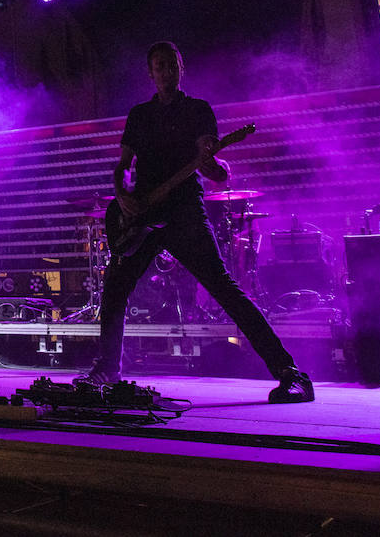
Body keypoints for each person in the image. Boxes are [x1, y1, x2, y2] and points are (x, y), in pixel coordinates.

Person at [81, 41, 314, 403]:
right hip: (142, 214)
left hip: (184, 209)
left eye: (171, 65)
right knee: (114, 289)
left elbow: (212, 161)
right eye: (159, 66)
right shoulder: (139, 115)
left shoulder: (198, 110)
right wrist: (123, 194)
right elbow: (125, 164)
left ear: (180, 68)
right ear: (150, 73)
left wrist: (213, 165)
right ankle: (106, 370)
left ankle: (290, 373)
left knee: (225, 289)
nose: (165, 71)